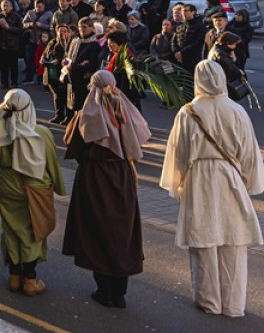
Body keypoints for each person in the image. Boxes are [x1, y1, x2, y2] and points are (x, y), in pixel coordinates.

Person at [160, 60, 263, 317]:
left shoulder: (188, 112)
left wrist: (178, 183)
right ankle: (233, 304)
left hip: (199, 179)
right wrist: (249, 181)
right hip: (230, 177)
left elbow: (178, 152)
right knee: (233, 241)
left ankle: (209, 301)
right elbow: (250, 152)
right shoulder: (237, 111)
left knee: (203, 240)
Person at [62, 69, 151, 308]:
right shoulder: (127, 112)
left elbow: (73, 147)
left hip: (95, 177)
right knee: (121, 230)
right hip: (122, 176)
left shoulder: (86, 115)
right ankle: (119, 292)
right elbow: (139, 141)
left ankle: (104, 289)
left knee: (97, 230)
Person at [0, 89, 66, 297]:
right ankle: (30, 280)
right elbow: (52, 165)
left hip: (5, 185)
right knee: (33, 232)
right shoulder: (40, 133)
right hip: (34, 188)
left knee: (10, 228)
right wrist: (59, 187)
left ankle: (14, 276)